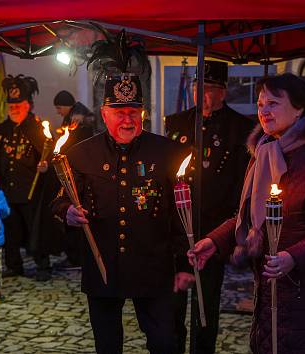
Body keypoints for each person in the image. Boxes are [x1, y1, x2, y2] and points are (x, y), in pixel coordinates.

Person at [189, 73, 305, 353]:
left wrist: (293, 257)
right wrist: (214, 241)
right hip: (273, 289)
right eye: (260, 103)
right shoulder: (264, 153)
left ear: (300, 108)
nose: (264, 111)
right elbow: (248, 216)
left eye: (274, 103)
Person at [52, 30, 194, 354]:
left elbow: (181, 215)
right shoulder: (80, 154)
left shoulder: (169, 153)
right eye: (119, 112)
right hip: (103, 270)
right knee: (107, 346)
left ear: (143, 112)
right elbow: (59, 200)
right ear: (104, 114)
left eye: (133, 112)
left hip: (154, 269)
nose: (126, 119)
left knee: (164, 343)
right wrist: (67, 212)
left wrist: (185, 265)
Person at [164, 60, 256, 354]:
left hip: (215, 228)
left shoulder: (240, 128)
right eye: (197, 87)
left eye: (209, 88)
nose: (201, 94)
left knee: (206, 306)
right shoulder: (177, 123)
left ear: (223, 92)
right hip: (178, 226)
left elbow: (241, 183)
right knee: (174, 303)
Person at [0, 74, 52, 281]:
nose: (14, 108)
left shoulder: (38, 128)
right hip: (8, 191)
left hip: (31, 191)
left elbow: (51, 156)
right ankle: (14, 265)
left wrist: (46, 167)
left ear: (28, 104)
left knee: (36, 229)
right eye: (11, 104)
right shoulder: (2, 129)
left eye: (18, 104)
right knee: (11, 231)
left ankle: (43, 265)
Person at [52, 90, 96, 270]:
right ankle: (73, 255)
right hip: (71, 169)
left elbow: (76, 145)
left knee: (77, 213)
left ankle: (76, 257)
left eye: (59, 107)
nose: (57, 111)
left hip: (76, 172)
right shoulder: (73, 119)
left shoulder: (78, 122)